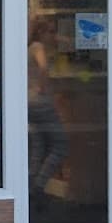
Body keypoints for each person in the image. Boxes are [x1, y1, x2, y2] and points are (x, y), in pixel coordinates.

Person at [28, 17, 70, 200]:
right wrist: (46, 91)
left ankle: (29, 184)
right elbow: (43, 68)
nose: (54, 35)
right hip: (40, 101)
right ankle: (38, 185)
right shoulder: (38, 48)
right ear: (41, 32)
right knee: (60, 145)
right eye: (51, 32)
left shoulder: (30, 46)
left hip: (29, 101)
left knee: (39, 146)